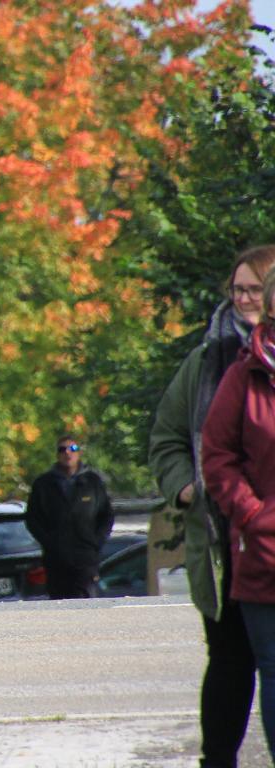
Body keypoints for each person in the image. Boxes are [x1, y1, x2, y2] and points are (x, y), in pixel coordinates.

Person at [148, 245, 275, 768]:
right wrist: (186, 488)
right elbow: (169, 439)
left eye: (255, 289)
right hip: (223, 541)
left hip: (266, 535)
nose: (244, 299)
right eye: (237, 289)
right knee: (230, 660)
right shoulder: (209, 362)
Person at [201, 265, 275, 764]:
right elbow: (216, 454)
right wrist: (251, 515)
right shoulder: (241, 373)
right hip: (264, 549)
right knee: (266, 667)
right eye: (239, 290)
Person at [24, 435, 114, 599]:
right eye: (62, 449)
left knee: (86, 602)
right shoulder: (44, 484)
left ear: (78, 453)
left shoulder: (92, 482)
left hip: (85, 557)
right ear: (57, 455)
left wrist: (96, 542)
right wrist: (50, 543)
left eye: (72, 449)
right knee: (60, 604)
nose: (67, 453)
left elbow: (106, 515)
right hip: (56, 559)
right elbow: (33, 519)